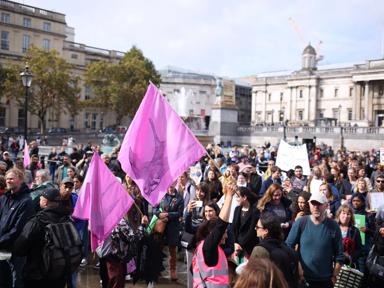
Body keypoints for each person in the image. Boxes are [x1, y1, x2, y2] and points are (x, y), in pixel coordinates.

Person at [12, 188, 75, 288]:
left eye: (40, 199)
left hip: (36, 276)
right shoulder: (67, 220)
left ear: (45, 202)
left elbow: (19, 249)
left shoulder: (36, 222)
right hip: (59, 274)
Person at [286, 193, 344, 288]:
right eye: (313, 204)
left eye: (319, 204)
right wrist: (298, 267)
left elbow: (339, 254)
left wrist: (334, 276)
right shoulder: (301, 222)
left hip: (325, 280)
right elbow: (288, 247)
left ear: (326, 205)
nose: (316, 207)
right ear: (309, 205)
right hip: (303, 279)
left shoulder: (333, 226)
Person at [191, 175, 236, 288]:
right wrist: (229, 196)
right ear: (213, 234)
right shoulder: (209, 246)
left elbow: (193, 270)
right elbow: (221, 225)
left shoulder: (203, 246)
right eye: (223, 234)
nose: (225, 237)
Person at [0, 168, 35, 288]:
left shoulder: (26, 201)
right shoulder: (4, 198)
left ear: (20, 180)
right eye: (7, 178)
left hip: (16, 249)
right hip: (2, 247)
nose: (8, 181)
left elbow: (18, 228)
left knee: (16, 281)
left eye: (11, 178)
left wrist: (1, 241)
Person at [251, 213, 299, 288]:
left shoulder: (260, 250)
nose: (255, 229)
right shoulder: (289, 250)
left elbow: (251, 276)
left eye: (257, 227)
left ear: (266, 231)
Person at [153, 184, 183, 281]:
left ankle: (173, 270)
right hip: (161, 227)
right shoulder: (161, 195)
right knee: (158, 249)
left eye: (172, 184)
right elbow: (154, 208)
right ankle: (157, 270)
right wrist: (159, 214)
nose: (170, 186)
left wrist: (168, 215)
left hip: (173, 227)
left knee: (172, 250)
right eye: (169, 184)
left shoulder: (179, 198)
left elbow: (179, 213)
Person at [232, 187, 260, 258]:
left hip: (249, 245)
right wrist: (236, 243)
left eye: (238, 197)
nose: (236, 199)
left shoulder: (255, 211)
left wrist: (240, 244)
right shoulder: (237, 209)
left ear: (244, 197)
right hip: (237, 245)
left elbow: (252, 230)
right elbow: (234, 227)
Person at [334, 204, 362, 268]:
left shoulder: (355, 231)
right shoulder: (333, 228)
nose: (346, 216)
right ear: (339, 215)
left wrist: (350, 257)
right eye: (343, 213)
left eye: (348, 214)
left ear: (351, 217)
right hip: (332, 263)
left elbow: (359, 250)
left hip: (347, 265)